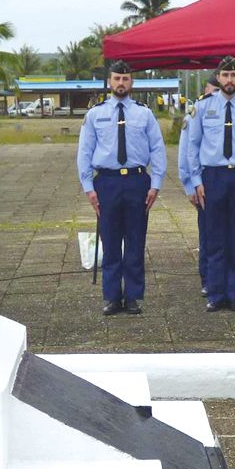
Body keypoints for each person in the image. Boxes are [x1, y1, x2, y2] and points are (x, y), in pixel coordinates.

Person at [77, 60, 167, 315]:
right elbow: (85, 151)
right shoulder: (95, 114)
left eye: (125, 79)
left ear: (132, 83)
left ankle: (133, 296)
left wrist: (156, 183)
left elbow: (157, 149)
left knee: (136, 241)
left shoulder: (144, 114)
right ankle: (112, 296)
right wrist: (88, 187)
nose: (120, 83)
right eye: (116, 79)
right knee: (111, 240)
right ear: (109, 82)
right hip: (106, 182)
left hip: (138, 182)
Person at [183, 57, 235, 311]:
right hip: (213, 177)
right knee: (215, 238)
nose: (229, 80)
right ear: (218, 78)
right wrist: (196, 180)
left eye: (233, 75)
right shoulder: (202, 107)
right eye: (225, 75)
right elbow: (192, 147)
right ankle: (215, 293)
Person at [180, 78, 221, 296]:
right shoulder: (196, 114)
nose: (216, 96)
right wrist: (189, 185)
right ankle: (207, 278)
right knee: (208, 235)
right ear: (205, 90)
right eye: (212, 91)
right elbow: (186, 153)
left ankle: (224, 278)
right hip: (203, 185)